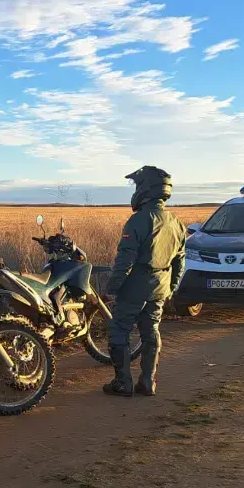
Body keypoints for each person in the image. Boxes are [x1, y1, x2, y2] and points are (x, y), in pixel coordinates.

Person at [103, 166, 186, 397]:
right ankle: (148, 381)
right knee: (151, 331)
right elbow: (180, 261)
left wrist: (112, 288)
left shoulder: (139, 220)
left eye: (139, 186)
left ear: (146, 189)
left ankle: (123, 382)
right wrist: (171, 287)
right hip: (160, 285)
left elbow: (124, 260)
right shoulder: (176, 223)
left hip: (135, 286)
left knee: (119, 331)